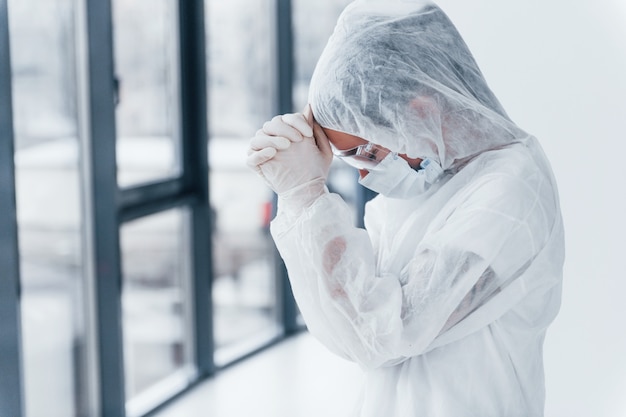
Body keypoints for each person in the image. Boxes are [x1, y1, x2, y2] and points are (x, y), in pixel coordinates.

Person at [247, 1, 564, 416]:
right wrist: (303, 176)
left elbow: (382, 334)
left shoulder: (510, 191)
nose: (365, 177)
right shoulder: (432, 179)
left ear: (419, 112)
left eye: (367, 152)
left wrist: (306, 196)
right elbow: (350, 312)